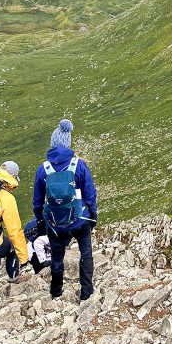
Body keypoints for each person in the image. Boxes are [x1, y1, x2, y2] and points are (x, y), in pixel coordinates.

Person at [33, 119, 97, 301]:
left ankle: (56, 293)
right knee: (86, 254)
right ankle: (86, 294)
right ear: (68, 142)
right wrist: (93, 215)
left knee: (57, 257)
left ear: (52, 143)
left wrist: (41, 221)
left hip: (55, 223)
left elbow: (37, 201)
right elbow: (90, 193)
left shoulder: (43, 169)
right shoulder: (79, 165)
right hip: (80, 219)